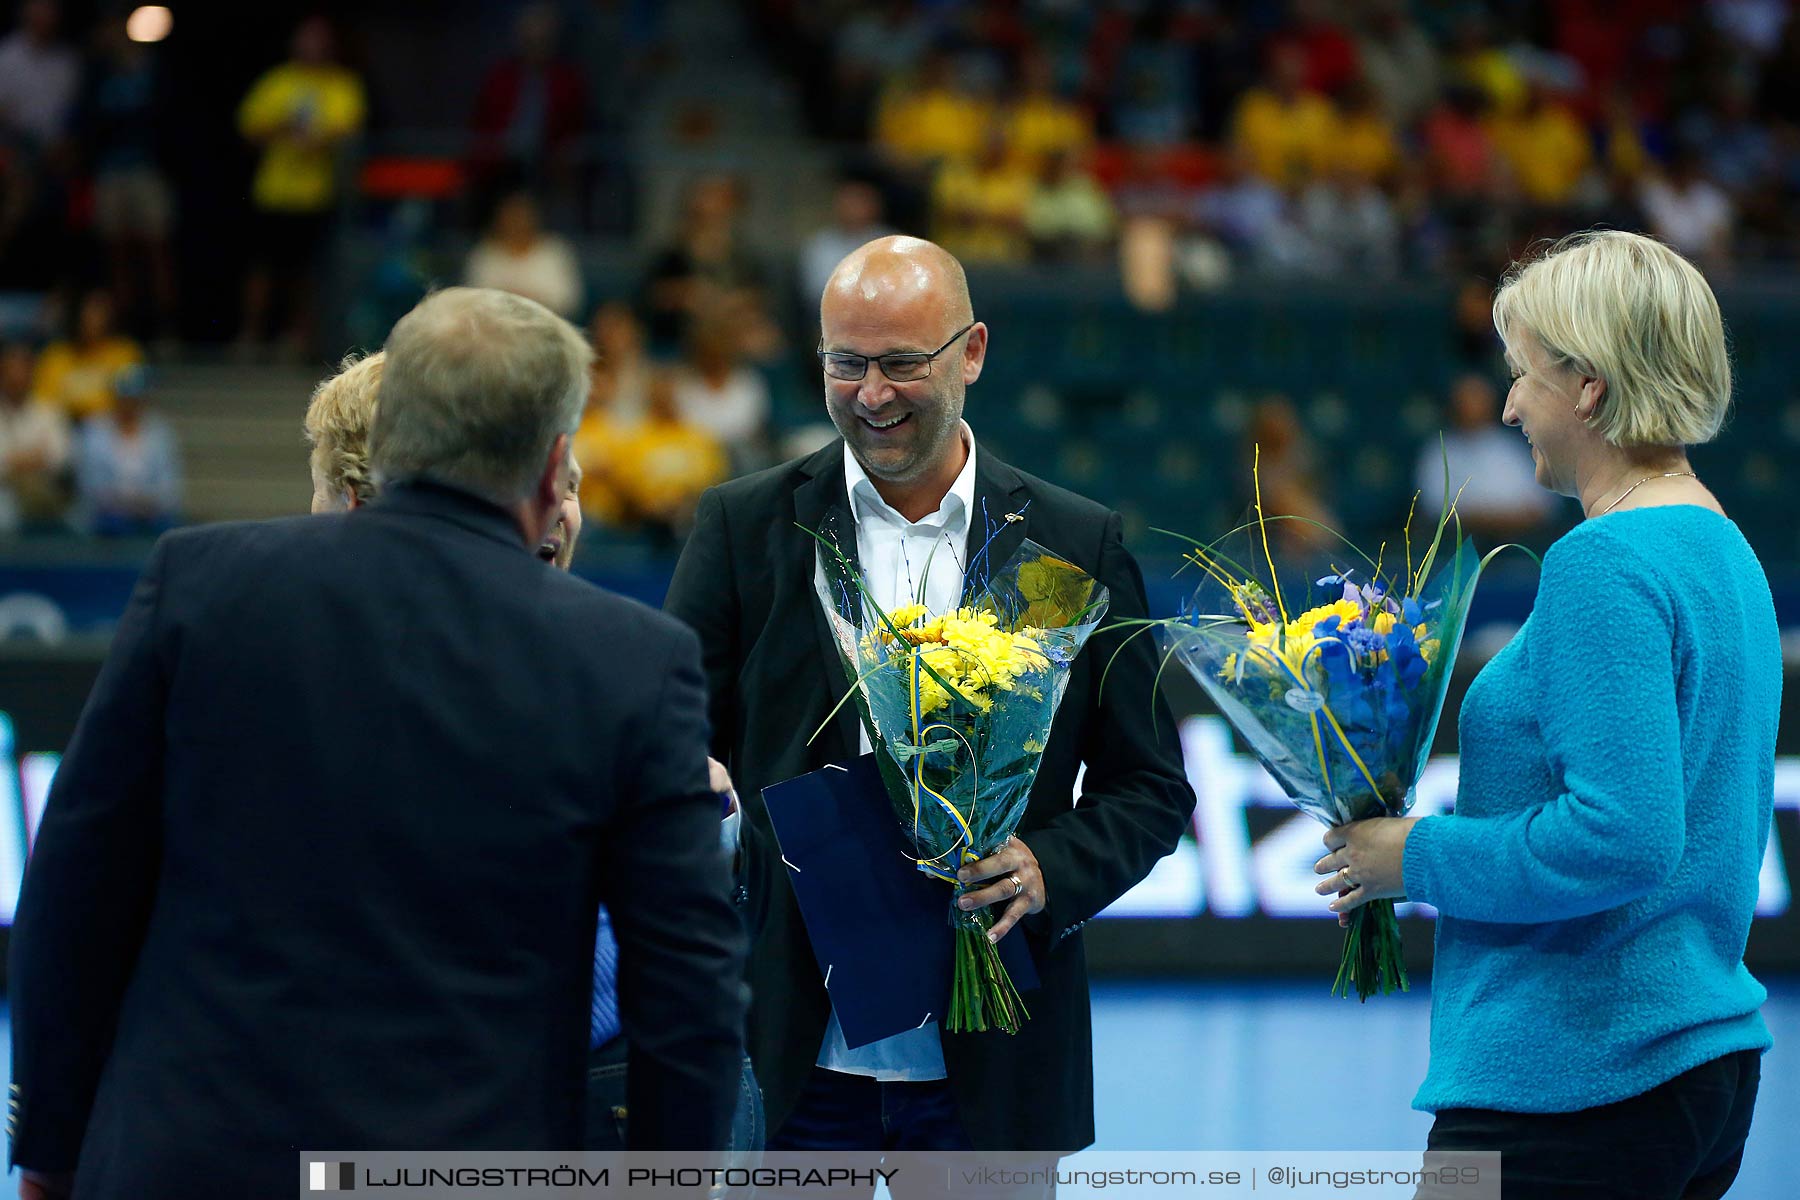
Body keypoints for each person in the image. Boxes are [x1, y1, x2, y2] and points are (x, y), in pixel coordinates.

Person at [8, 287, 748, 1198]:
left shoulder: (199, 586)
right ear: (557, 467)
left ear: (384, 436)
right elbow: (686, 999)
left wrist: (48, 1147)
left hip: (197, 1156)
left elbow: (77, 890)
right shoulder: (633, 663)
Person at [664, 236, 1195, 1163]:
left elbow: (1147, 790)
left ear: (973, 352)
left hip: (995, 1061)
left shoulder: (1074, 543)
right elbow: (669, 753)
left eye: (904, 363)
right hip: (787, 1051)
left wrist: (1046, 869)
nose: (872, 395)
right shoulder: (744, 529)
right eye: (845, 364)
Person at [1315, 231, 1778, 1200]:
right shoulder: (1722, 544)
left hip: (1573, 1081)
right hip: (1691, 1065)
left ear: (1592, 388)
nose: (1513, 403)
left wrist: (1409, 856)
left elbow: (1625, 835)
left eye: (1524, 374)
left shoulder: (1603, 562)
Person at [299, 342, 761, 1150]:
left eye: (570, 487)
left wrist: (704, 811)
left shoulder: (616, 663)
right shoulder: (297, 670)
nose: (561, 512)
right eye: (537, 486)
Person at [236, 16, 366, 352]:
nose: (312, 46)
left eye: (319, 39)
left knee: (305, 275)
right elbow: (249, 127)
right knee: (263, 267)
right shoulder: (277, 81)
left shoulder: (342, 84)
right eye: (306, 38)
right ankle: (251, 335)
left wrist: (317, 138)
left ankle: (298, 339)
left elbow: (348, 129)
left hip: (316, 196)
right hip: (274, 192)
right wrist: (282, 128)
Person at [1414, 372, 1556, 542]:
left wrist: (1500, 520)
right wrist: (1495, 519)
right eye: (1466, 401)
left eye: (1479, 400)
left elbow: (1542, 505)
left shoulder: (1510, 447)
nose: (1473, 407)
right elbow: (1435, 509)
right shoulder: (1439, 451)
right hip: (1455, 548)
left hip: (1515, 546)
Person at [72, 364, 180, 536]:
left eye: (134, 399)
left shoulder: (160, 432)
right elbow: (89, 484)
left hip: (150, 513)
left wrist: (145, 503)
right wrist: (123, 503)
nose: (129, 405)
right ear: (115, 399)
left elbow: (169, 487)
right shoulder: (94, 430)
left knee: (170, 528)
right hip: (105, 514)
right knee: (113, 525)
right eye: (124, 398)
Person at [464, 191, 583, 319]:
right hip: (494, 330)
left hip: (547, 329)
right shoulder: (484, 255)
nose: (517, 222)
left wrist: (528, 301)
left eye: (522, 216)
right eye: (511, 216)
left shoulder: (554, 251)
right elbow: (472, 301)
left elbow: (569, 300)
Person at [32, 289, 143, 421]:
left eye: (97, 312)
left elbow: (130, 403)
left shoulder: (124, 352)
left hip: (109, 429)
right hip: (64, 428)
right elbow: (43, 406)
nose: (90, 319)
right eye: (85, 313)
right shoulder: (55, 356)